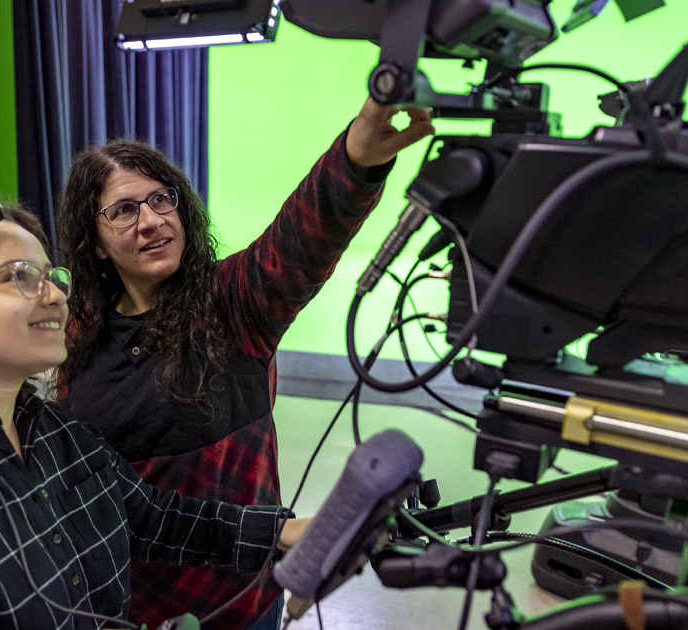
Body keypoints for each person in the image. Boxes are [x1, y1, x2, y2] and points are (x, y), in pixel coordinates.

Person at [0, 200, 308, 630]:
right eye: (19, 276)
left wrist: (286, 533)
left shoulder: (58, 435)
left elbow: (154, 519)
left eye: (51, 275)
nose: (56, 294)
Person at [56, 98, 434, 629]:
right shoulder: (79, 328)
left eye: (161, 199)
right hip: (120, 601)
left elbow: (302, 240)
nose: (151, 221)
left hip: (234, 600)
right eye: (123, 210)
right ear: (94, 243)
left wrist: (357, 158)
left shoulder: (230, 303)